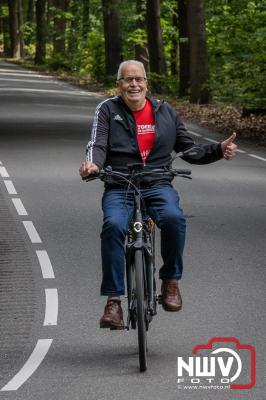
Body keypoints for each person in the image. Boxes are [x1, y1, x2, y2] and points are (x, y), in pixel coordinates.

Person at [79, 60, 237, 330]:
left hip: (157, 183)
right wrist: (92, 164)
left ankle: (171, 281)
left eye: (139, 79)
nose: (134, 84)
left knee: (175, 218)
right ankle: (114, 301)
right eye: (128, 80)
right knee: (113, 226)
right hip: (120, 184)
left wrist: (217, 150)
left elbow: (188, 149)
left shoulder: (165, 112)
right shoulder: (107, 110)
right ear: (119, 85)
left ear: (146, 83)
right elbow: (97, 143)